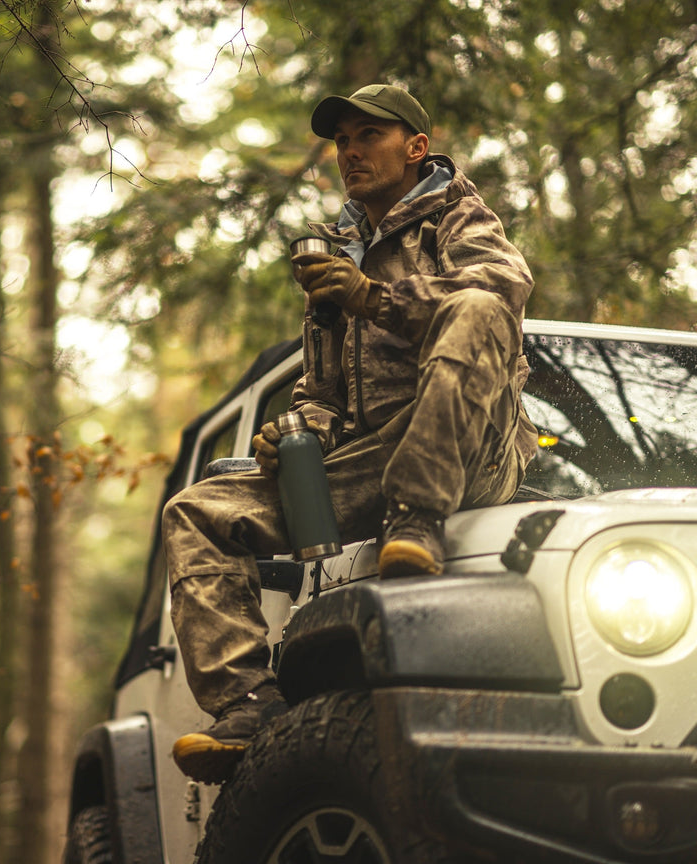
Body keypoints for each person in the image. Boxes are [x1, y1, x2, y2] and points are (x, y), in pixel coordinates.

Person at [163, 83, 538, 784]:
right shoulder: (338, 250)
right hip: (375, 461)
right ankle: (251, 707)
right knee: (196, 513)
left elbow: (504, 292)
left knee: (478, 307)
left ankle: (417, 521)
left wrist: (369, 296)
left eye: (369, 136)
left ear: (416, 148)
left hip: (471, 453)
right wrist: (291, 432)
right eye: (342, 140)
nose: (351, 152)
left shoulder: (455, 217)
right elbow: (322, 395)